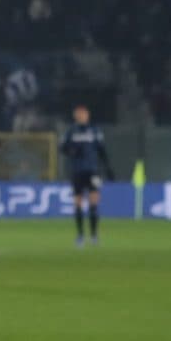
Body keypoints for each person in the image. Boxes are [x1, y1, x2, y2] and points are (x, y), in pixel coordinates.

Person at [60, 105, 116, 247]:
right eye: (78, 114)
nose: (81, 116)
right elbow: (62, 148)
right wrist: (71, 151)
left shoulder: (95, 131)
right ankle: (80, 235)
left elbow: (102, 150)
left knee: (94, 202)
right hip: (77, 171)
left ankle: (94, 235)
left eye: (83, 114)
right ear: (75, 116)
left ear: (87, 115)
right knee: (77, 202)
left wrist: (108, 168)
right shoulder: (71, 131)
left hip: (93, 171)